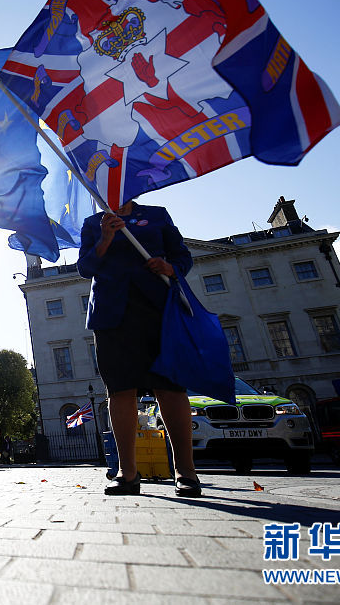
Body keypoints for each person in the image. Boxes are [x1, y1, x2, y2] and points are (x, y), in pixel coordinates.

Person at [77, 201, 201, 498]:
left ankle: (185, 471)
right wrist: (106, 238)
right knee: (120, 390)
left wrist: (171, 268)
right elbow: (86, 268)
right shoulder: (94, 223)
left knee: (170, 387)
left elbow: (182, 256)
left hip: (159, 310)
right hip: (112, 314)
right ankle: (127, 472)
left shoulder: (157, 215)